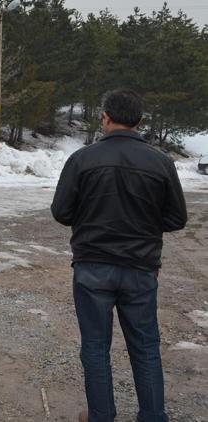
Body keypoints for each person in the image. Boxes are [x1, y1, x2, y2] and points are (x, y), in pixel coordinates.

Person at [51, 89, 187, 422]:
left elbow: (61, 211)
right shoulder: (161, 162)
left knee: (95, 348)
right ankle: (153, 416)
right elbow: (176, 218)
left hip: (92, 267)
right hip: (141, 269)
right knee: (145, 347)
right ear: (139, 121)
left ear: (105, 118)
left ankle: (101, 416)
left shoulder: (83, 159)